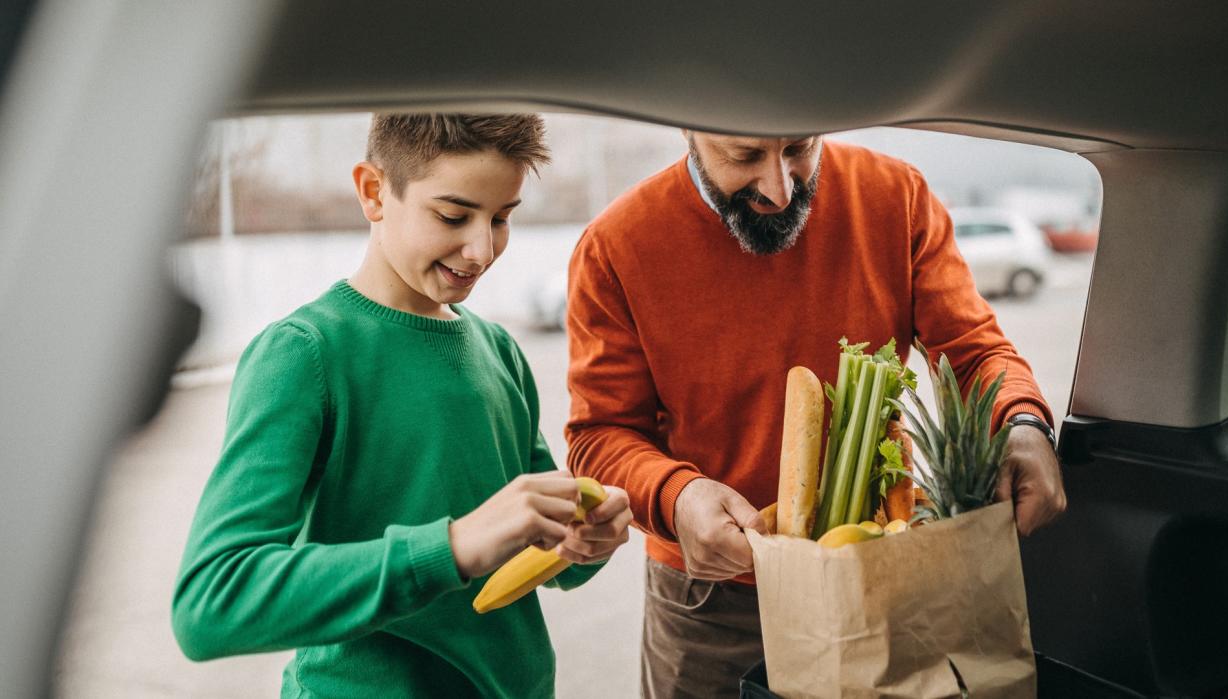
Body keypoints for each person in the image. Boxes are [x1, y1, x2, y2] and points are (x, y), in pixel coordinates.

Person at [565, 130, 1066, 696]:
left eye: (800, 148)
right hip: (711, 600)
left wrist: (1022, 422)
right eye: (744, 156)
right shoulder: (615, 245)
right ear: (688, 129)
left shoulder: (897, 196)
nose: (780, 189)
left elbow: (973, 351)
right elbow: (600, 434)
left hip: (876, 575)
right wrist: (676, 497)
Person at [172, 113, 633, 698]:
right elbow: (212, 602)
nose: (481, 248)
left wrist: (584, 540)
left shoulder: (499, 350)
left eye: (502, 217)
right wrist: (452, 547)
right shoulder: (303, 355)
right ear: (373, 193)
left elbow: (545, 543)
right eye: (453, 215)